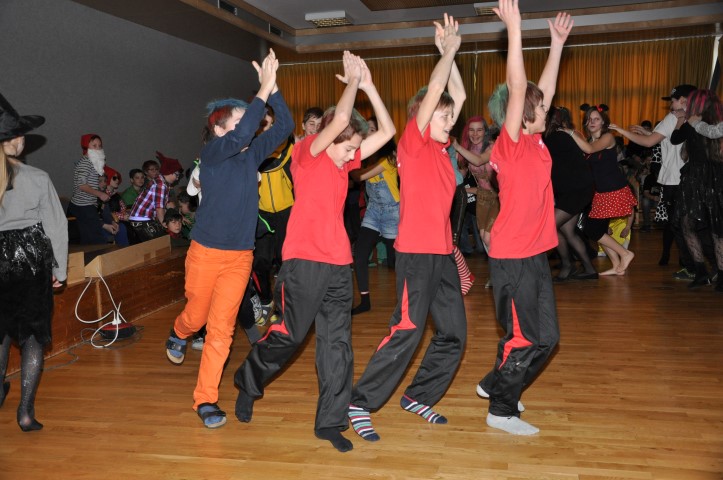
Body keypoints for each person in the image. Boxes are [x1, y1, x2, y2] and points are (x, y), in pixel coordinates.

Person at [234, 51, 395, 453]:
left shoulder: (342, 162)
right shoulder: (308, 152)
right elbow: (338, 122)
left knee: (337, 345)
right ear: (333, 138)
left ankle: (330, 422)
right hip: (304, 262)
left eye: (355, 149)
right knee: (289, 336)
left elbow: (389, 131)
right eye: (350, 148)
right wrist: (352, 82)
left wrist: (369, 85)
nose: (354, 156)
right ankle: (248, 381)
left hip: (339, 264)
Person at [347, 14, 467, 443]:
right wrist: (446, 52)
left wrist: (449, 53)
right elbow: (436, 91)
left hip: (442, 253)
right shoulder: (414, 145)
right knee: (407, 329)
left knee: (454, 334)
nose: (450, 121)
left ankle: (419, 395)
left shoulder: (442, 148)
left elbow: (456, 92)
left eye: (450, 117)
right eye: (443, 116)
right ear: (424, 117)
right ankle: (359, 402)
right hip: (415, 252)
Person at [165, 49, 294, 429]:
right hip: (205, 253)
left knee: (221, 330)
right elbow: (242, 131)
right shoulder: (213, 153)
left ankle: (205, 399)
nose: (249, 129)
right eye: (239, 122)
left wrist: (273, 89)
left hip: (240, 257)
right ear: (220, 129)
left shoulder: (251, 156)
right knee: (196, 317)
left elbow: (284, 126)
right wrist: (262, 88)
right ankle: (179, 332)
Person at [476, 0, 571, 436]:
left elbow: (539, 92)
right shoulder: (510, 145)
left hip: (535, 253)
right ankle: (501, 410)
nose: (547, 110)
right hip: (512, 257)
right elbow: (520, 88)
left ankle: (495, 383)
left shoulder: (536, 141)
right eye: (539, 108)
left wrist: (556, 44)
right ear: (521, 115)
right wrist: (514, 30)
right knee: (523, 336)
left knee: (547, 338)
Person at [0, 93, 67, 431]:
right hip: (29, 260)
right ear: (14, 141)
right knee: (32, 338)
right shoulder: (37, 177)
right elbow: (56, 225)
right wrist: (60, 270)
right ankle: (25, 412)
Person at [610, 85, 696, 276]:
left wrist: (621, 131)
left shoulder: (674, 117)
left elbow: (649, 143)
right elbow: (667, 139)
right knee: (685, 225)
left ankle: (692, 267)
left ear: (683, 100)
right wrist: (647, 133)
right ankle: (696, 266)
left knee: (678, 226)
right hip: (686, 177)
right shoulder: (693, 117)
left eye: (673, 100)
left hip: (675, 179)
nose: (670, 104)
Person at [566, 104, 637, 275]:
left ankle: (625, 253)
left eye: (596, 119)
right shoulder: (588, 141)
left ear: (603, 122)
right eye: (589, 119)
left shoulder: (607, 137)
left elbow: (590, 149)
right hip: (600, 192)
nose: (592, 122)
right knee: (599, 230)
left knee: (592, 230)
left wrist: (571, 133)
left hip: (613, 190)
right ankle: (617, 265)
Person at [670, 89, 723, 291]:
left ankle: (711, 273)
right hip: (703, 178)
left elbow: (676, 138)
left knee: (710, 227)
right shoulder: (700, 122)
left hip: (706, 178)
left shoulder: (700, 122)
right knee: (695, 225)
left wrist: (684, 120)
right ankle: (704, 273)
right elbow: (677, 139)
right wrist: (682, 119)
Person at [542, 106, 597, 280]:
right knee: (566, 229)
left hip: (576, 191)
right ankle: (588, 269)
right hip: (573, 190)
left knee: (549, 226)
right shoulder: (556, 136)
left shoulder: (556, 137)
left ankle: (567, 265)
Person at [350, 138, 398, 315]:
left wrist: (348, 164)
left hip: (392, 213)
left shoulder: (388, 160)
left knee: (395, 262)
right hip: (373, 212)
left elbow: (359, 176)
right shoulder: (369, 162)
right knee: (360, 255)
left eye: (372, 133)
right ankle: (365, 302)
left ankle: (408, 301)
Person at [67, 133, 113, 244]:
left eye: (100, 146)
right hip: (82, 205)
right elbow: (82, 185)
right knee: (96, 238)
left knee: (89, 238)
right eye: (94, 145)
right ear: (86, 147)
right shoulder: (85, 162)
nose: (98, 148)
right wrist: (100, 194)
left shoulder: (93, 163)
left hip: (87, 204)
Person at [128, 154, 182, 243]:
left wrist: (178, 216)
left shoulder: (162, 182)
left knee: (160, 240)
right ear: (169, 172)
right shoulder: (160, 185)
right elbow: (159, 208)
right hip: (141, 219)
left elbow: (167, 203)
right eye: (176, 175)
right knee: (158, 241)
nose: (177, 178)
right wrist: (164, 223)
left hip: (144, 218)